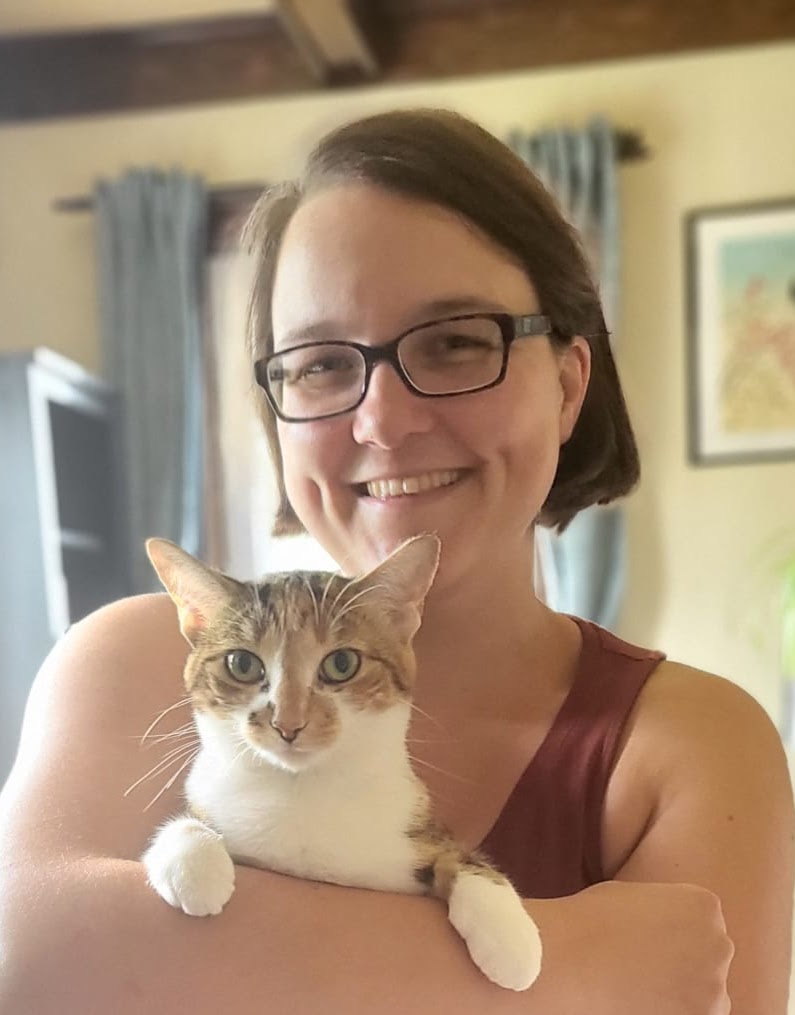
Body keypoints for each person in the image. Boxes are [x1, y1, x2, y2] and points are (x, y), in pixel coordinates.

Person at [0, 108, 791, 1015]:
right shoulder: (134, 658)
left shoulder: (683, 743)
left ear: (568, 384)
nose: (381, 421)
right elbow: (27, 964)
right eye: (320, 364)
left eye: (454, 342)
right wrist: (571, 965)